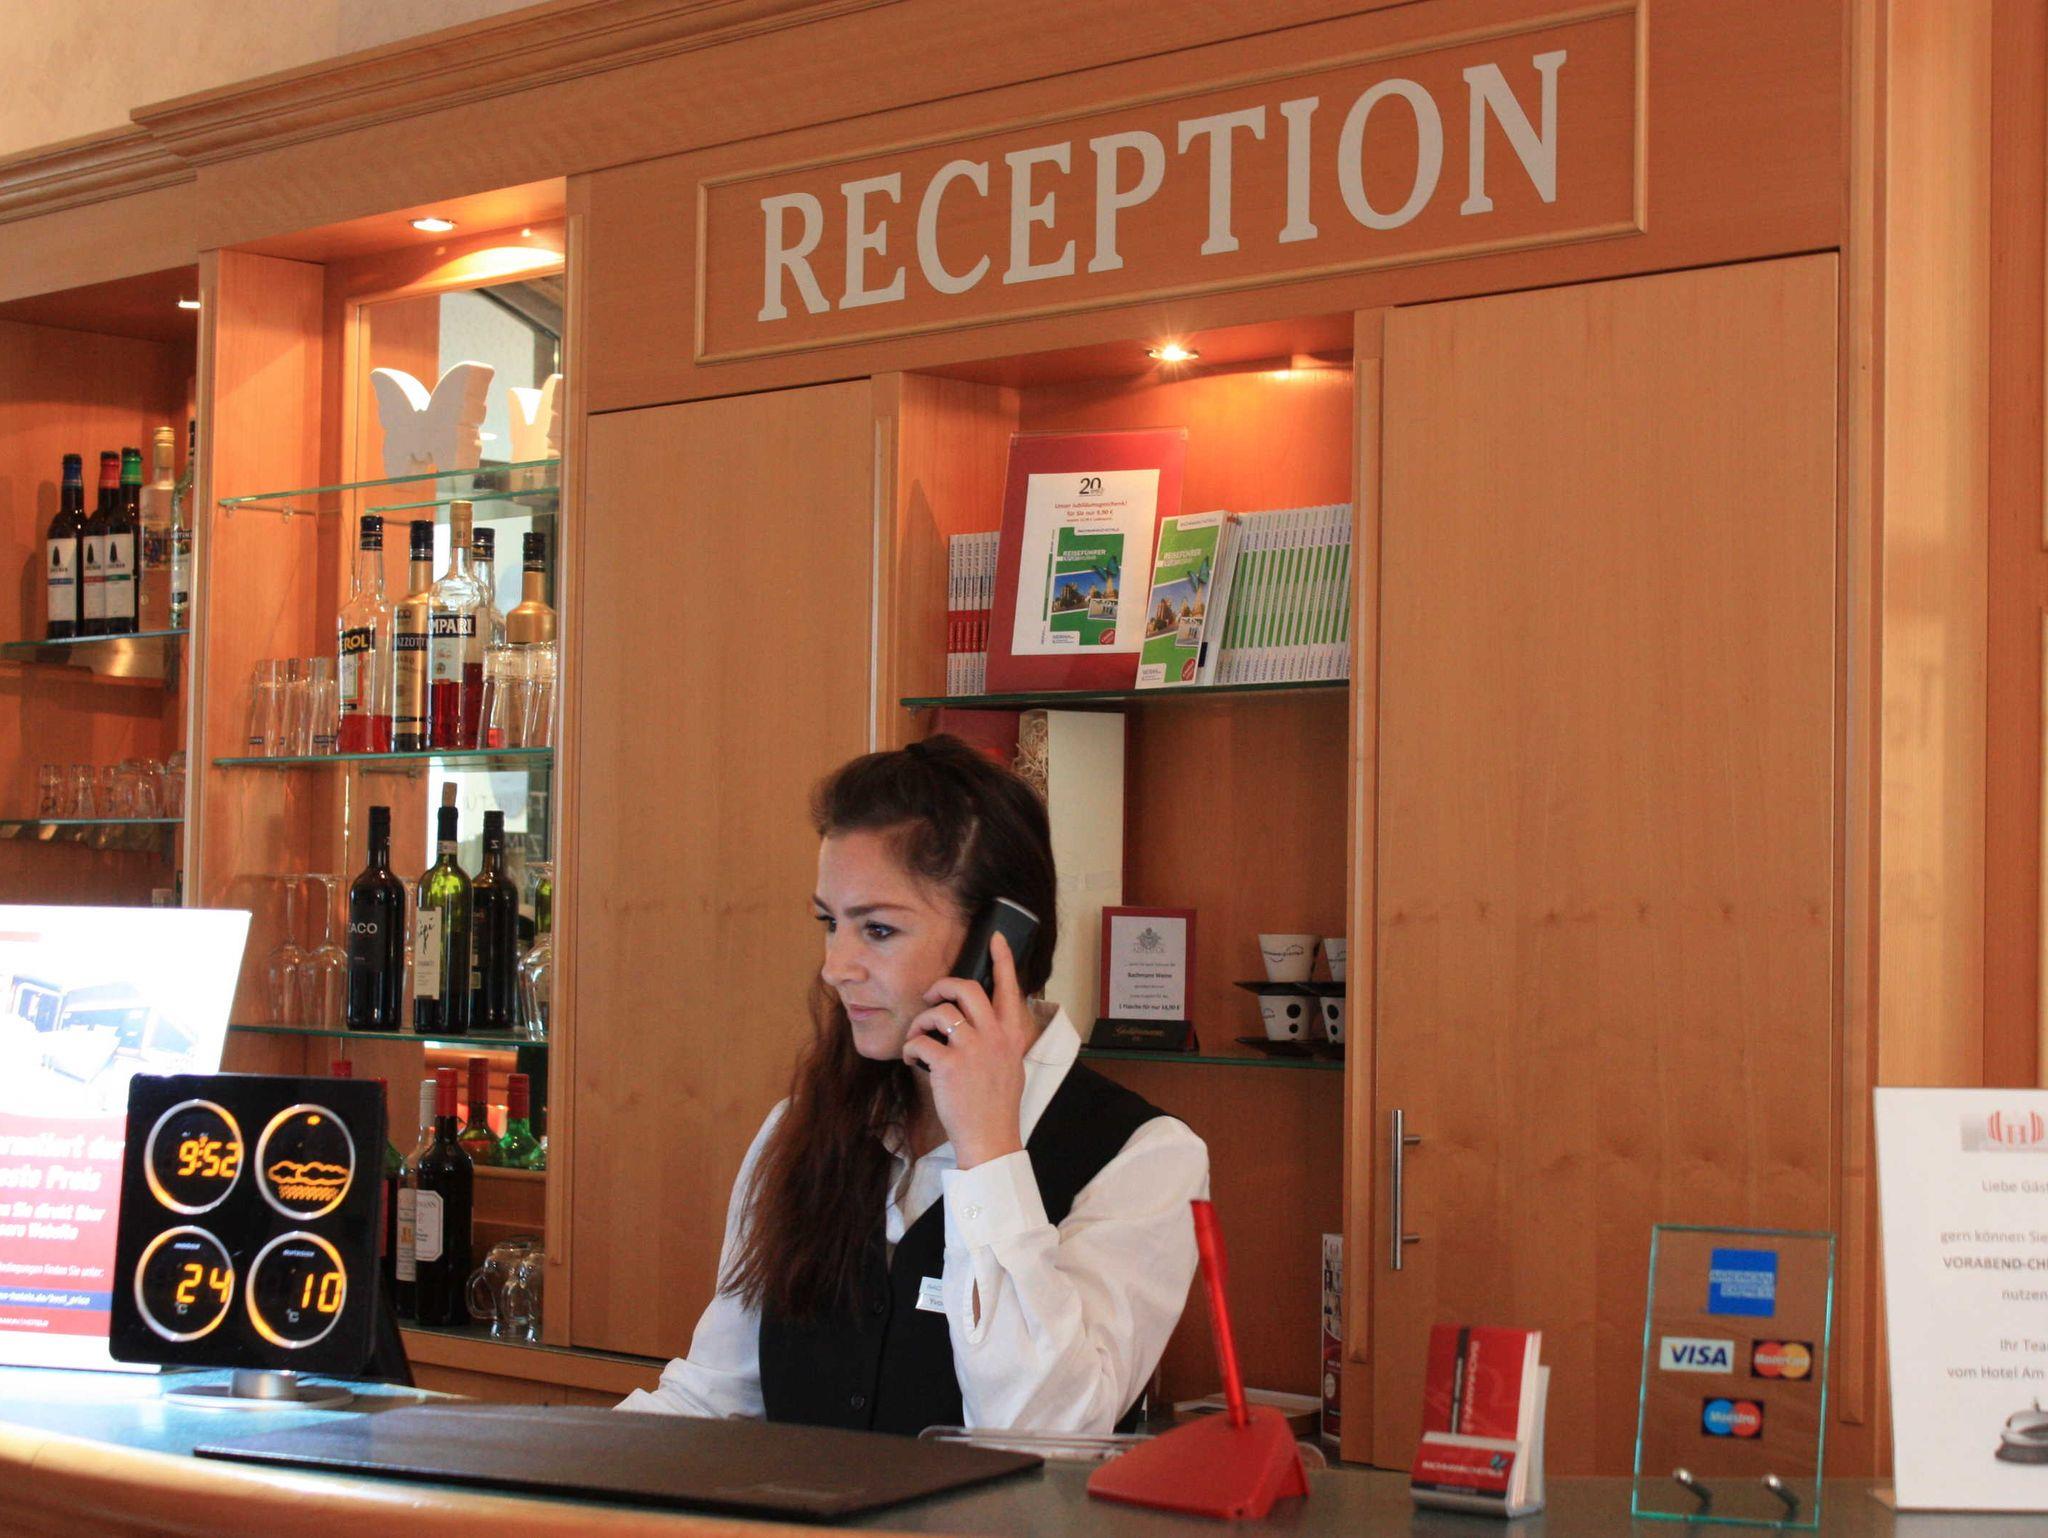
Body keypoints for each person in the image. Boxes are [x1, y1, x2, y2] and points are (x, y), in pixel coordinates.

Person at [618, 734, 1209, 1435]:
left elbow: (1045, 1432)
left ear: (997, 942)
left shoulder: (1146, 1158)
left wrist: (989, 1151)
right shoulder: (802, 1128)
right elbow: (715, 1394)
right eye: (829, 923)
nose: (835, 967)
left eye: (877, 930)